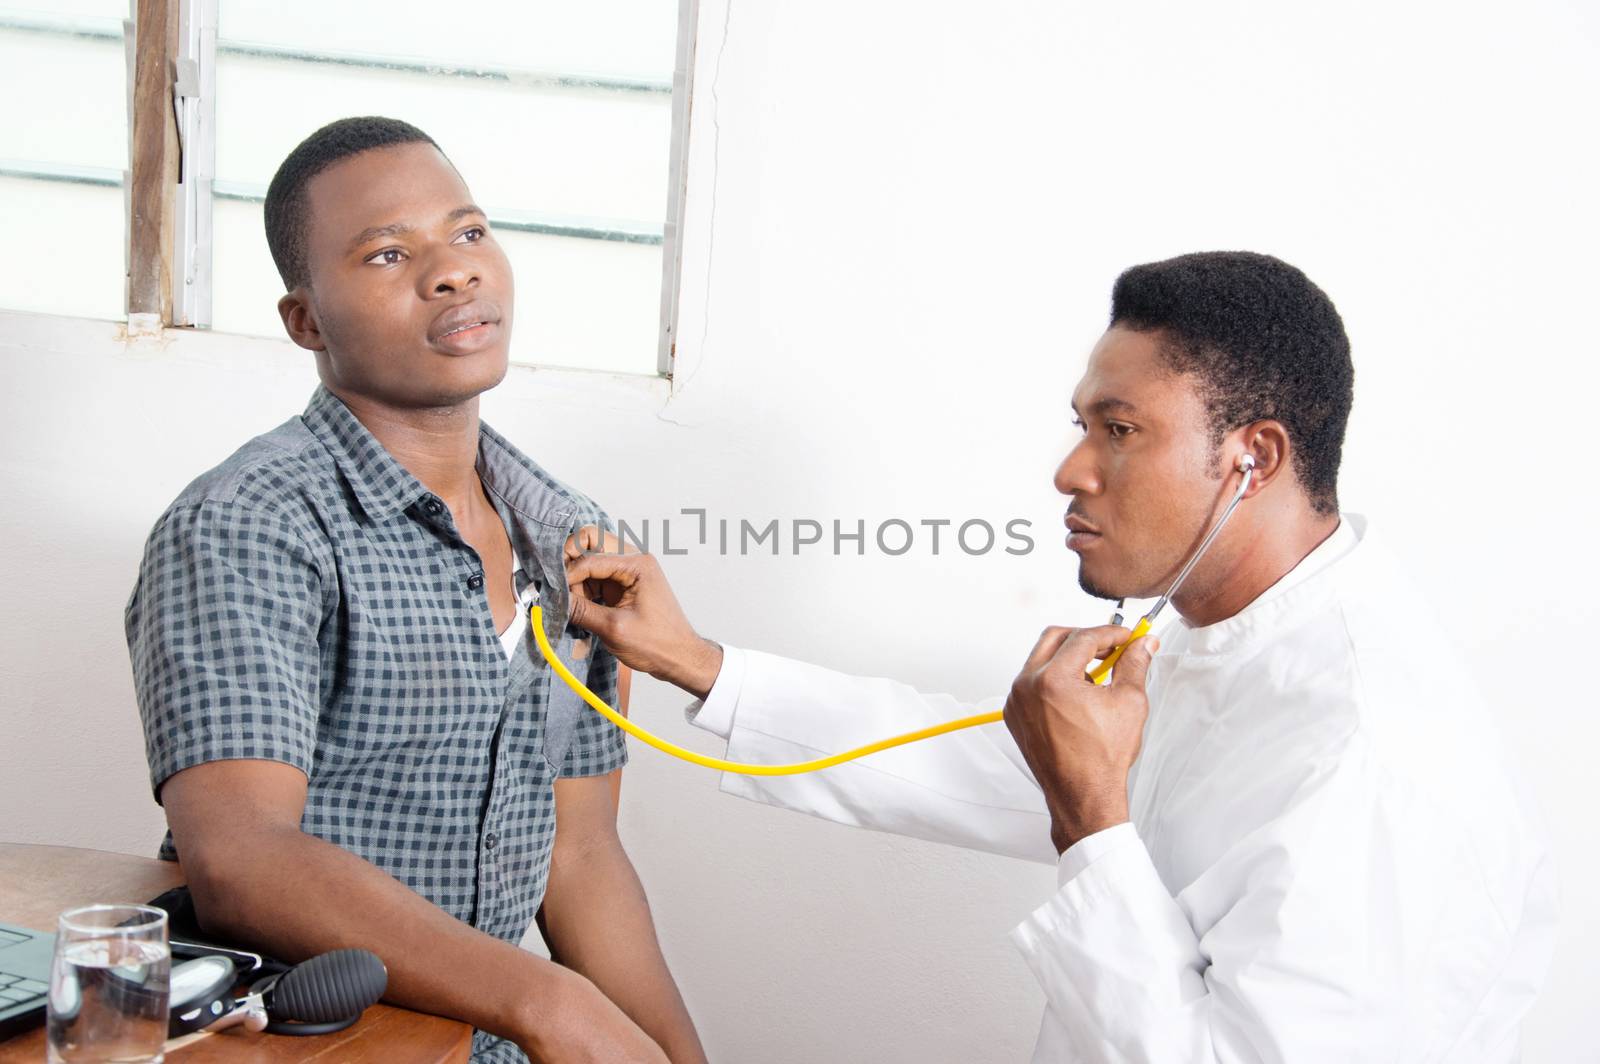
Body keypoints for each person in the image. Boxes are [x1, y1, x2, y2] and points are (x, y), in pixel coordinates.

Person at [562, 252, 1557, 1061]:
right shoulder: (1225, 638)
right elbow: (1005, 766)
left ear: (1251, 457)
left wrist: (1089, 812)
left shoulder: (1368, 758)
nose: (1069, 470)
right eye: (1082, 424)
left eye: (1118, 431)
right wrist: (699, 661)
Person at [124, 116, 704, 1064]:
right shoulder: (246, 524)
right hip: (304, 1047)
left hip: (498, 1046)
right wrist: (555, 1008)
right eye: (388, 253)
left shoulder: (574, 539)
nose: (452, 271)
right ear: (305, 320)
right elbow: (240, 860)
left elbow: (580, 854)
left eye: (469, 233)